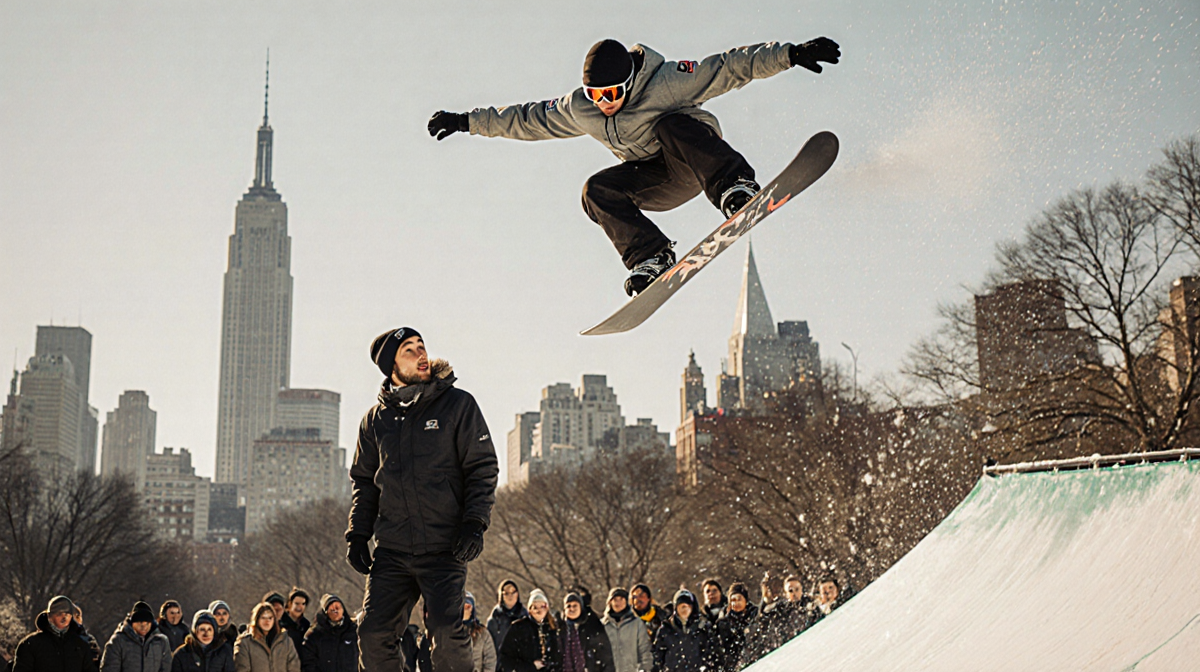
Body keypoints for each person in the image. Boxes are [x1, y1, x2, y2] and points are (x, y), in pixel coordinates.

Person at [427, 37, 840, 296]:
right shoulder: (580, 108)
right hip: (657, 182)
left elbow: (729, 66)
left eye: (612, 92)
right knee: (595, 190)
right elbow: (526, 117)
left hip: (695, 160)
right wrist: (466, 122)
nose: (604, 101)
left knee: (672, 123)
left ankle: (735, 187)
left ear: (628, 81)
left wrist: (790, 54)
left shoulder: (666, 80)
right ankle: (651, 256)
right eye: (596, 93)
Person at [346, 327, 500, 672]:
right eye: (409, 351)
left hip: (444, 547)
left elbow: (482, 467)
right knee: (372, 633)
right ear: (392, 368)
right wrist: (357, 534)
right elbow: (364, 483)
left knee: (446, 634)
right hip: (393, 549)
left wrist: (475, 523)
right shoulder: (374, 421)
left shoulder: (458, 404)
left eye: (421, 346)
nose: (421, 355)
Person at [12, 596, 99, 672]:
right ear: (49, 616)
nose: (64, 617)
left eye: (67, 614)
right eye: (59, 614)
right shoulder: (31, 644)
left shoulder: (81, 645)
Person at [99, 602, 172, 672]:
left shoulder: (161, 642)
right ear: (132, 623)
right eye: (140, 623)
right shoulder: (118, 641)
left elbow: (166, 667)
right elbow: (110, 668)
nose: (144, 627)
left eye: (147, 623)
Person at [498, 590, 560, 672]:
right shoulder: (518, 628)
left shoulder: (554, 628)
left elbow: (560, 657)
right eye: (535, 607)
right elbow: (506, 658)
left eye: (542, 606)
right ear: (529, 610)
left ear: (547, 608)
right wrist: (531, 666)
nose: (539, 610)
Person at [651, 591, 712, 672]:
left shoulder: (702, 628)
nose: (685, 609)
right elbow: (658, 655)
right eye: (682, 606)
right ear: (676, 608)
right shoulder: (666, 629)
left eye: (687, 606)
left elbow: (711, 653)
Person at [233, 603, 299, 672]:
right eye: (263, 618)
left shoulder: (286, 641)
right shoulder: (245, 643)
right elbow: (242, 669)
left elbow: (294, 668)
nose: (267, 621)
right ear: (257, 619)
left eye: (270, 618)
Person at [299, 595, 356, 672]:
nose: (336, 611)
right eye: (332, 609)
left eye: (338, 607)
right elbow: (308, 664)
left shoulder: (353, 631)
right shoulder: (313, 635)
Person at [599, 589, 649, 672]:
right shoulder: (602, 625)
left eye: (621, 599)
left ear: (626, 601)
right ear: (610, 602)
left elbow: (645, 649)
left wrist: (644, 668)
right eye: (615, 600)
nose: (618, 603)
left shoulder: (636, 623)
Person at [558, 594, 611, 672]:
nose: (572, 609)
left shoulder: (592, 625)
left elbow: (605, 654)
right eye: (568, 606)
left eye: (575, 606)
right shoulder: (560, 628)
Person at [714, 583, 756, 672]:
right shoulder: (724, 623)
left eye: (739, 599)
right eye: (733, 600)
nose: (736, 603)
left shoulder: (754, 615)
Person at [486, 580, 527, 656]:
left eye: (513, 592)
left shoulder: (526, 617)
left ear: (517, 594)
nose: (510, 596)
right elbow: (488, 648)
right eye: (506, 593)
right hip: (500, 663)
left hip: (522, 664)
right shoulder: (494, 619)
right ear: (501, 595)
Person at [462, 593, 497, 672]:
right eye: (462, 607)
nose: (464, 610)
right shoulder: (449, 632)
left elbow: (490, 660)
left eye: (467, 606)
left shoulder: (482, 633)